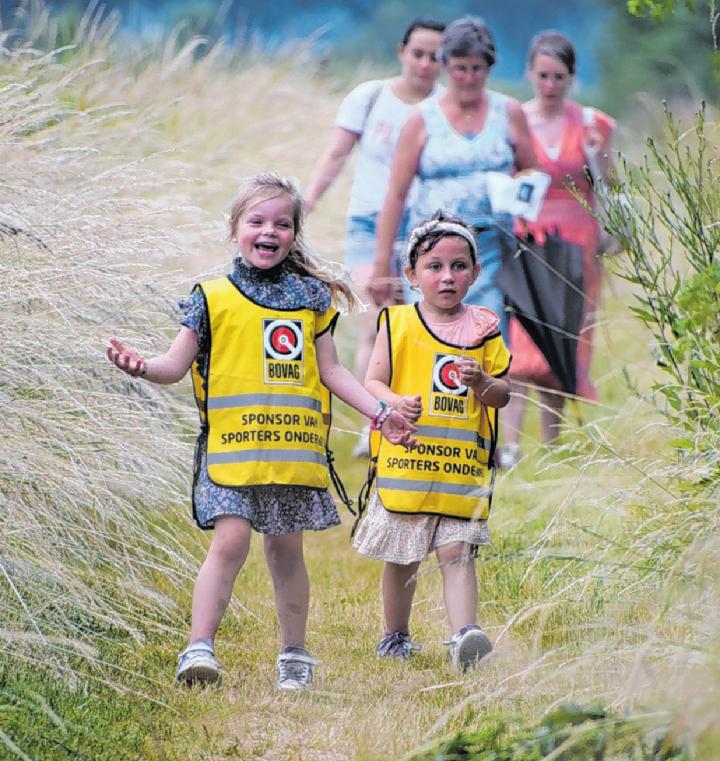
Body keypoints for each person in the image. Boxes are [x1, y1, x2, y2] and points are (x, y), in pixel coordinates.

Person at [106, 172, 416, 691]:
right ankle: (198, 648)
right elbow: (174, 366)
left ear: (295, 233)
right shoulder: (210, 297)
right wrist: (142, 368)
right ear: (235, 229)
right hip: (230, 454)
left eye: (282, 223)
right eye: (257, 221)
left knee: (286, 552)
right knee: (229, 542)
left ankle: (294, 655)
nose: (269, 231)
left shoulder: (311, 299)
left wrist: (380, 414)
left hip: (290, 456)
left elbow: (333, 372)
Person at [354, 212, 511, 672]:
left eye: (459, 266)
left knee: (457, 552)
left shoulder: (485, 328)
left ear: (475, 273)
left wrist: (481, 381)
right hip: (409, 465)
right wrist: (394, 403)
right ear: (411, 274)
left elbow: (502, 395)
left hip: (460, 470)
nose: (447, 276)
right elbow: (372, 381)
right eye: (434, 266)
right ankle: (395, 635)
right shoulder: (398, 322)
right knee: (402, 556)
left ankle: (465, 637)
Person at [304, 17, 445, 455]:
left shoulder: (445, 107)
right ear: (402, 52)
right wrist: (308, 201)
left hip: (425, 226)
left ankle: (419, 416)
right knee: (378, 318)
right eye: (418, 53)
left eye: (435, 56)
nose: (425, 64)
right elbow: (336, 154)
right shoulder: (369, 97)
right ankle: (375, 420)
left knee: (419, 322)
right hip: (369, 220)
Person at [369, 15, 538, 344]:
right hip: (432, 247)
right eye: (460, 68)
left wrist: (516, 192)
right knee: (430, 338)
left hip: (490, 249)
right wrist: (381, 263)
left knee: (485, 339)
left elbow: (532, 173)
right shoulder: (422, 119)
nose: (468, 77)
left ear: (489, 68)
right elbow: (396, 194)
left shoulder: (508, 112)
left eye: (477, 69)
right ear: (445, 65)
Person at [499, 31, 615, 466]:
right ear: (529, 72)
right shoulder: (513, 119)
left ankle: (553, 445)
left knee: (563, 339)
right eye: (543, 75)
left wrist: (598, 157)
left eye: (559, 77)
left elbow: (611, 184)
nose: (550, 85)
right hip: (527, 239)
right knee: (521, 340)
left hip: (577, 241)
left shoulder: (592, 123)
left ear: (571, 77)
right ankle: (510, 445)